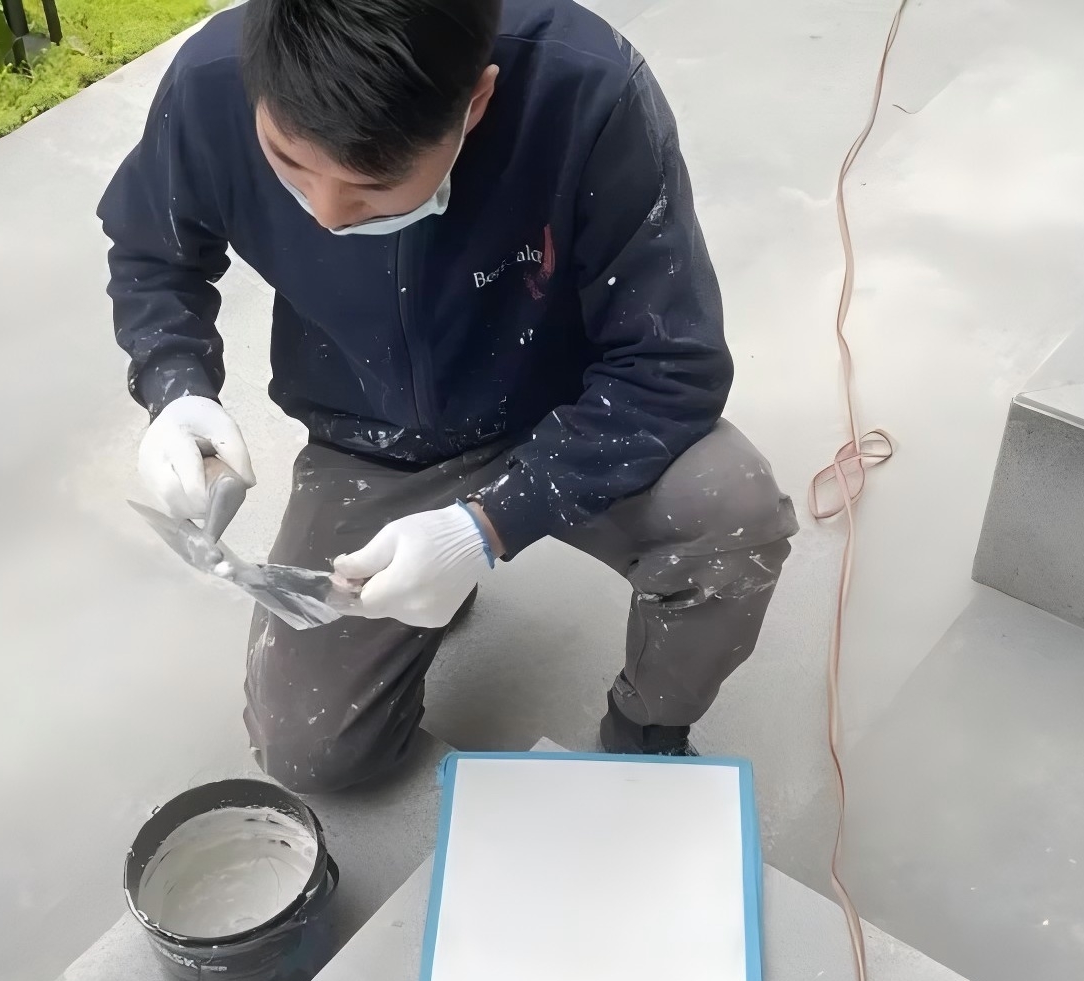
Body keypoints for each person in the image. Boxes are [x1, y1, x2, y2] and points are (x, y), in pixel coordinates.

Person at [99, 0, 797, 792]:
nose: (325, 214)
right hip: (372, 435)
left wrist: (486, 526)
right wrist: (176, 386)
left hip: (570, 411)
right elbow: (153, 252)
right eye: (289, 162)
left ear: (477, 102)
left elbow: (673, 363)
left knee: (732, 514)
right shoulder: (214, 80)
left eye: (372, 185)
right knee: (312, 753)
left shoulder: (586, 92)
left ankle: (646, 731)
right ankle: (423, 577)